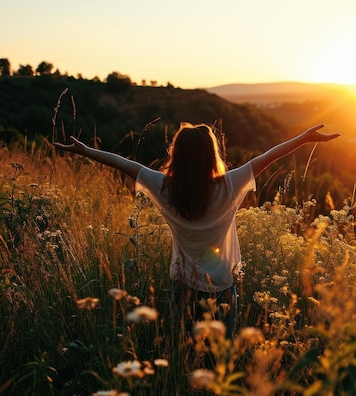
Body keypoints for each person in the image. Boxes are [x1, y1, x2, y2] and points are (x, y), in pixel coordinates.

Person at [54, 123, 340, 338]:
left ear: (177, 155)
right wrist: (304, 138)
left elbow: (125, 163)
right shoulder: (228, 185)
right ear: (210, 155)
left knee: (189, 349)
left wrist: (86, 151)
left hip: (184, 284)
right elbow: (270, 156)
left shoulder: (165, 187)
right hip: (223, 287)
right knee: (221, 356)